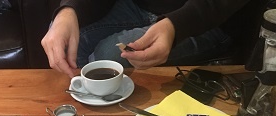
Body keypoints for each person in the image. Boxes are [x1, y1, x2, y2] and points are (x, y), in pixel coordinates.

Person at [41, 0, 251, 78]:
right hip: (137, 6)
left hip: (206, 20)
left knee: (107, 56)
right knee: (70, 41)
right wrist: (68, 10)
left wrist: (176, 25)